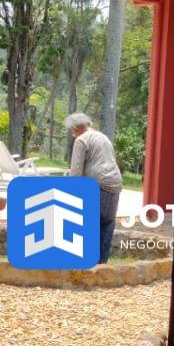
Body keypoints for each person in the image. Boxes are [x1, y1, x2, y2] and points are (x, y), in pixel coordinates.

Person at [65, 112, 123, 263]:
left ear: (75, 128)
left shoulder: (81, 140)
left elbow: (76, 172)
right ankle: (102, 265)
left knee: (88, 225)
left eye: (71, 130)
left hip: (98, 184)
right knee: (107, 225)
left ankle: (86, 265)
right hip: (115, 182)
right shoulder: (102, 137)